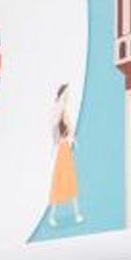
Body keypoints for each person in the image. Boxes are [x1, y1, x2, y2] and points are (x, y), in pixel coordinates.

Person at [46, 84, 83, 230]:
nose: (68, 97)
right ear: (62, 95)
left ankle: (76, 213)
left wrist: (71, 140)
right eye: (66, 94)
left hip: (65, 150)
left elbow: (69, 131)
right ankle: (53, 216)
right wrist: (65, 139)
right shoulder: (59, 112)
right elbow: (59, 132)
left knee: (69, 181)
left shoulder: (63, 111)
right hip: (62, 151)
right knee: (61, 181)